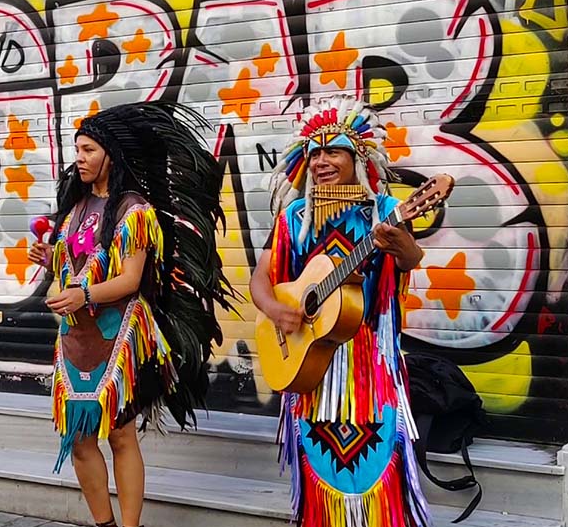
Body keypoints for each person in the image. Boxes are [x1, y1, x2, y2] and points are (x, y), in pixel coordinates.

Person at [28, 101, 233, 527]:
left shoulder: (132, 209)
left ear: (109, 154)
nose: (79, 158)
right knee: (79, 438)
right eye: (76, 149)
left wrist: (83, 294)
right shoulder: (76, 207)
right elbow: (79, 264)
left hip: (117, 336)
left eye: (87, 150)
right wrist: (51, 257)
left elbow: (130, 279)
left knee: (120, 435)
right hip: (75, 338)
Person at [250, 95, 430, 527]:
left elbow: (411, 259)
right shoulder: (295, 216)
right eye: (315, 154)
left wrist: (398, 241)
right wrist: (277, 310)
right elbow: (260, 279)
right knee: (320, 475)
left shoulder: (385, 211)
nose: (321, 161)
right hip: (311, 364)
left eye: (333, 151)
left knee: (379, 469)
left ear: (359, 159)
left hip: (370, 366)